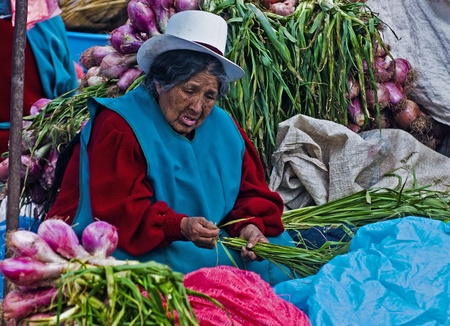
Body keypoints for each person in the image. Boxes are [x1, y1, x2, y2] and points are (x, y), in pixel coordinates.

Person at [46, 10, 295, 286]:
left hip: (205, 238)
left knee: (278, 253)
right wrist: (181, 226)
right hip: (141, 237)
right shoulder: (120, 125)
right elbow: (119, 214)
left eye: (209, 96)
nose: (198, 108)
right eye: (189, 90)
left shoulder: (224, 127)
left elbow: (250, 193)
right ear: (161, 82)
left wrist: (249, 226)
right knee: (208, 275)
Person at [0, 0, 78, 155]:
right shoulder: (44, 21)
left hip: (33, 145)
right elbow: (68, 89)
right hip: (35, 146)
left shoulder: (42, 19)